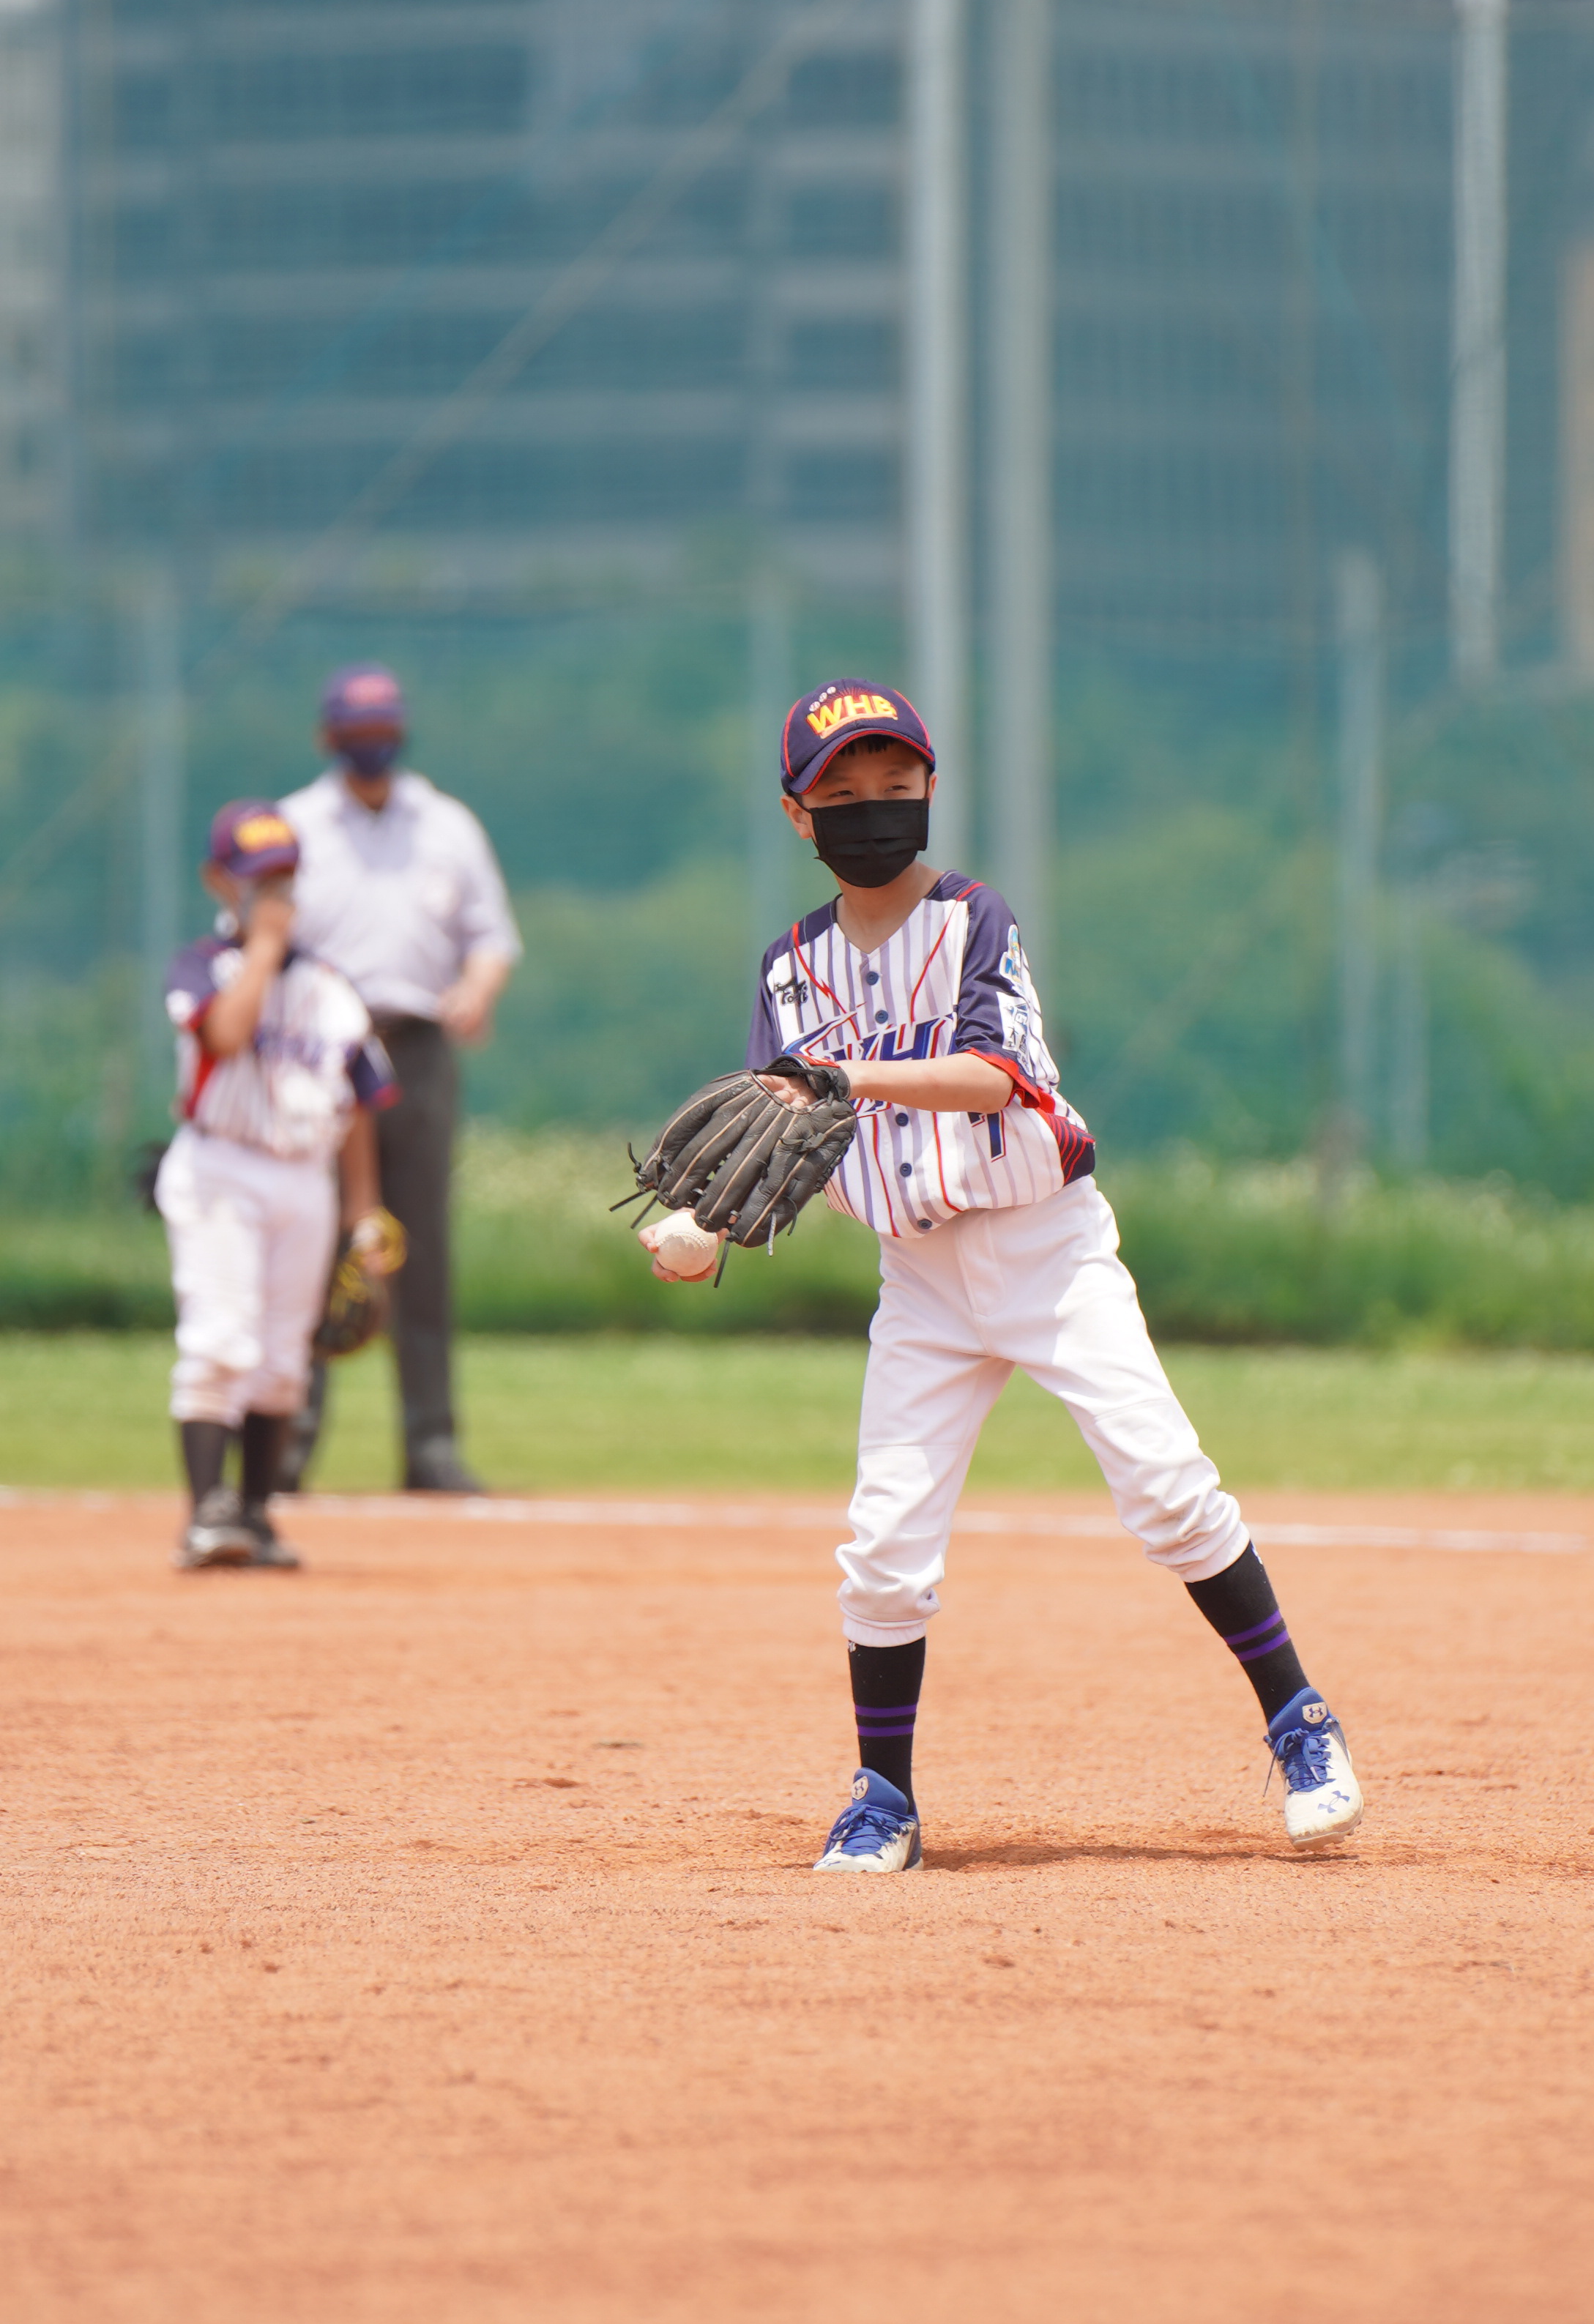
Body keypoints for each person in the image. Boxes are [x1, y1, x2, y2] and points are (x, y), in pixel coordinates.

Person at [639, 677, 1364, 1872]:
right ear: (796, 814)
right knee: (884, 1546)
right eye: (842, 791)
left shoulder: (973, 920)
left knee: (1166, 1485)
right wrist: (707, 1219)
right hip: (919, 1280)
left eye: (895, 781)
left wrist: (846, 1078)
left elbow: (993, 1075)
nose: (874, 804)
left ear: (930, 787)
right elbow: (780, 1123)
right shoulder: (789, 969)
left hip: (1046, 1248)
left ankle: (1300, 1720)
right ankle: (884, 1796)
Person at [278, 664, 522, 1494]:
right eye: (357, 731)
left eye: (382, 729)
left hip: (416, 1048)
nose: (371, 745)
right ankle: (286, 1439)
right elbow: (257, 932)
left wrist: (476, 990)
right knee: (309, 1238)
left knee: (420, 1248)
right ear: (329, 737)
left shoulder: (445, 824)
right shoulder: (297, 825)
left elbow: (490, 936)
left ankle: (431, 1444)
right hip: (316, 1054)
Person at [156, 802, 399, 1571]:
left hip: (305, 1178)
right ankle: (206, 1514)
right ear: (219, 881)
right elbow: (224, 1036)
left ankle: (256, 1517)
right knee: (220, 1338)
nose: (276, 893)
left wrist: (363, 1210)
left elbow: (359, 1102)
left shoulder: (331, 988)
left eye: (286, 878)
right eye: (259, 879)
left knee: (283, 1357)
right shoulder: (205, 967)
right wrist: (262, 949)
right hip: (220, 1169)